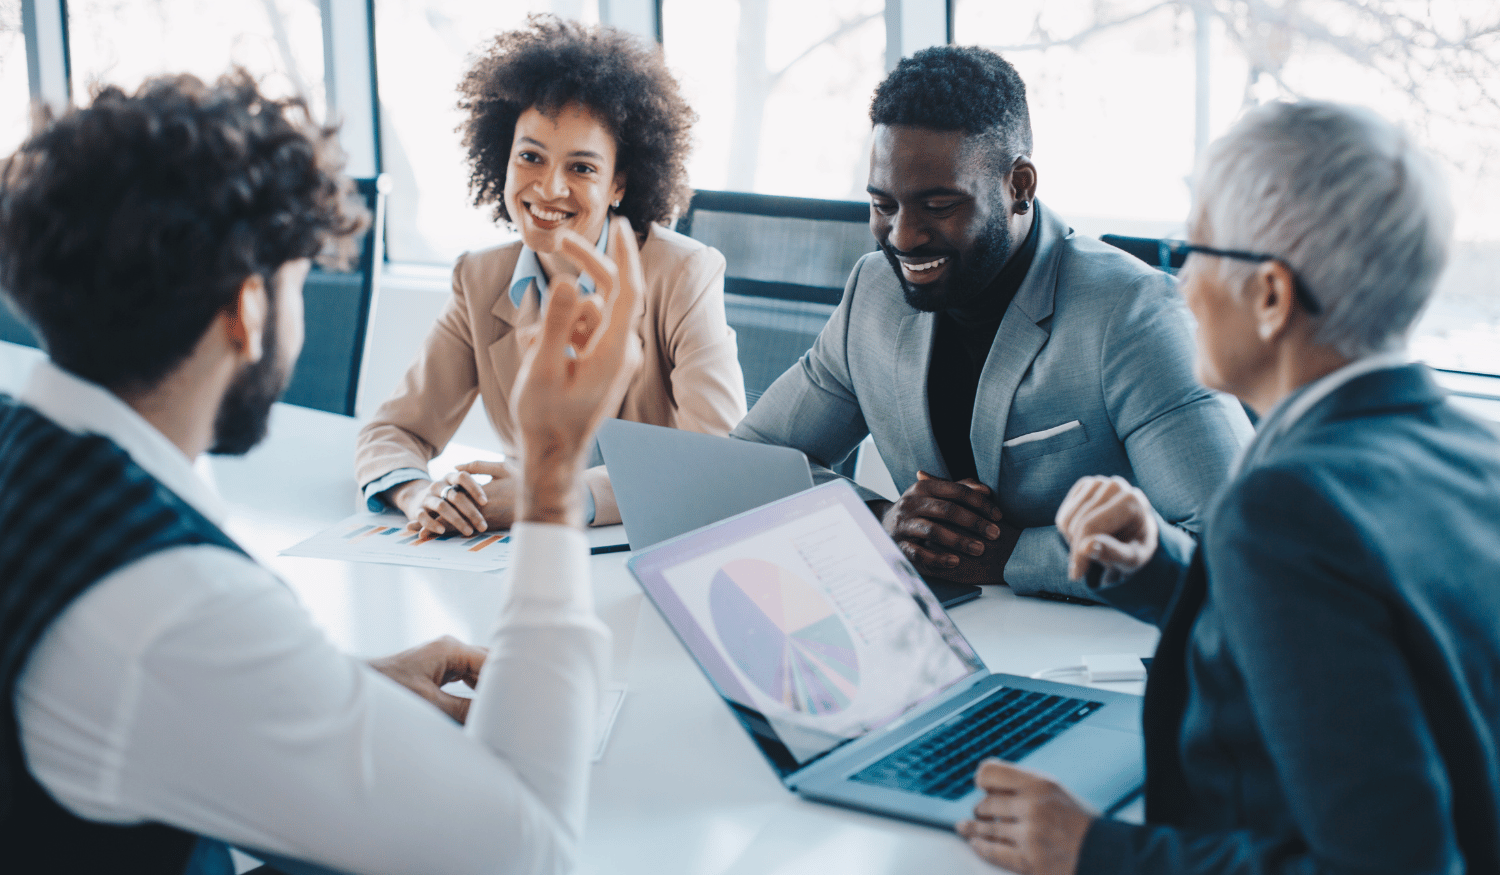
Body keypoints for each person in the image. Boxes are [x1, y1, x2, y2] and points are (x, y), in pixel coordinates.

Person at [0, 71, 646, 875]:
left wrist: (334, 687)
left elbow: (142, 688)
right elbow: (525, 853)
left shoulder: (18, 437)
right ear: (249, 310)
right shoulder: (176, 604)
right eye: (301, 282)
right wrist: (551, 475)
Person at [959, 101, 1500, 874]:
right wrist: (1158, 572)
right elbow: (1358, 644)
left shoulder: (1286, 507)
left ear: (1272, 297)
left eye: (1196, 250)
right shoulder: (1469, 451)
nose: (1182, 283)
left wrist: (1095, 850)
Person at [730, 46, 1251, 599]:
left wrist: (1010, 557)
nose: (903, 237)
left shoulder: (1131, 312)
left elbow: (1236, 544)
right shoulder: (874, 293)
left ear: (1019, 186)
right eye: (884, 205)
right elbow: (750, 465)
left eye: (938, 204)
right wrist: (882, 523)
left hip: (1092, 651)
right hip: (931, 640)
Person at [356, 15, 745, 537]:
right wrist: (419, 493)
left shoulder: (684, 274)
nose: (549, 187)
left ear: (618, 185)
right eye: (530, 157)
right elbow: (394, 430)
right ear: (503, 160)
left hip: (646, 546)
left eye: (582, 168)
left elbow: (715, 460)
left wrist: (549, 493)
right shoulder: (479, 278)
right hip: (519, 552)